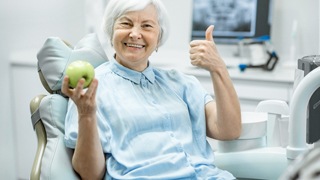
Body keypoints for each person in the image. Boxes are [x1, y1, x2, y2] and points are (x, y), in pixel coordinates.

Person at [62, 0, 241, 179]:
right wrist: (86, 115)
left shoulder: (181, 83)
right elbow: (90, 174)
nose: (135, 34)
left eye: (147, 26)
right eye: (126, 23)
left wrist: (218, 68)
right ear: (111, 31)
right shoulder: (91, 90)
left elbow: (228, 130)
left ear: (158, 38)